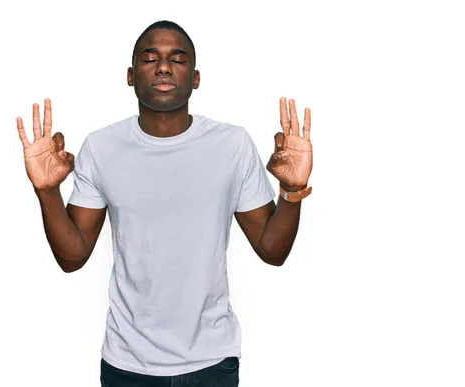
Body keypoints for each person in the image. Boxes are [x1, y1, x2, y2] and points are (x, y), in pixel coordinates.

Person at [16, 20, 313, 387]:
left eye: (177, 58)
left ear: (196, 77)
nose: (163, 66)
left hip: (212, 361)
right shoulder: (101, 147)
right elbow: (72, 257)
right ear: (130, 75)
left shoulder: (232, 145)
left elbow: (272, 250)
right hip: (127, 365)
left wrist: (291, 191)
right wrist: (47, 192)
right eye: (150, 57)